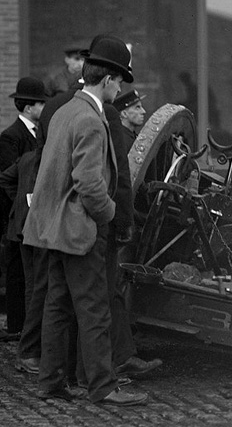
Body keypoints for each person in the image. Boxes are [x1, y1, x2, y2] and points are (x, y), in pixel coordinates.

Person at [23, 34, 147, 406]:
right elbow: (90, 184)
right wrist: (108, 216)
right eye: (120, 81)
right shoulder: (92, 121)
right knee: (95, 308)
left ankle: (51, 381)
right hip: (81, 230)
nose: (120, 88)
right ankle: (104, 387)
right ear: (107, 80)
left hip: (53, 229)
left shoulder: (62, 111)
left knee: (57, 306)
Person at [0, 78, 48, 341]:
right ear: (29, 107)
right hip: (18, 218)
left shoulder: (36, 133)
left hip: (29, 217)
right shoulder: (11, 136)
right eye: (41, 102)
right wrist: (24, 200)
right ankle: (17, 326)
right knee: (20, 274)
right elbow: (9, 177)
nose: (44, 107)